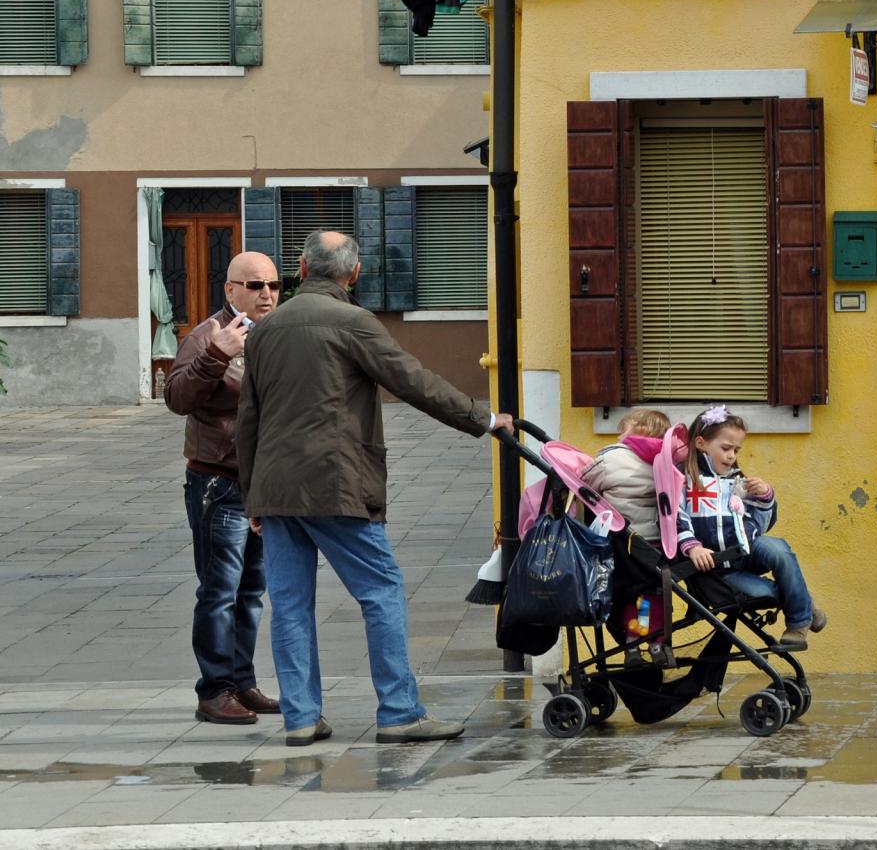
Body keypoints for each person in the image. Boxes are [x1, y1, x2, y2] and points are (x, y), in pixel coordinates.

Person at [234, 230, 515, 746]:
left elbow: (247, 420)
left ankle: (299, 716)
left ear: (300, 267)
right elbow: (413, 380)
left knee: (291, 604)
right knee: (380, 590)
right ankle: (399, 711)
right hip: (336, 483)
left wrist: (253, 494)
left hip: (276, 489)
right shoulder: (353, 322)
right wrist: (484, 418)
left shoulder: (267, 330)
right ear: (354, 273)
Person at [163, 251, 284, 726]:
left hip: (261, 482)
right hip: (219, 480)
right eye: (255, 286)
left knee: (252, 589)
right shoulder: (207, 336)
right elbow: (176, 398)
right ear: (230, 290)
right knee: (220, 590)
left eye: (274, 284)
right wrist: (217, 356)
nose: (267, 294)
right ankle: (214, 690)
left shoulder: (273, 334)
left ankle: (242, 681)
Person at [677, 405, 827, 650]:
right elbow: (675, 518)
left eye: (736, 450)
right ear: (701, 443)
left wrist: (765, 498)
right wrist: (692, 547)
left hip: (746, 549)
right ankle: (806, 605)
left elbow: (759, 524)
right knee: (766, 594)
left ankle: (799, 623)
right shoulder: (684, 480)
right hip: (720, 570)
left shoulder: (736, 479)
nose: (731, 456)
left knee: (778, 549)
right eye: (725, 448)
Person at [580, 408, 674, 542]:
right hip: (656, 538)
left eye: (623, 432)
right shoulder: (669, 462)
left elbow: (585, 485)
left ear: (642, 430)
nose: (619, 437)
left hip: (619, 537)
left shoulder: (611, 458)